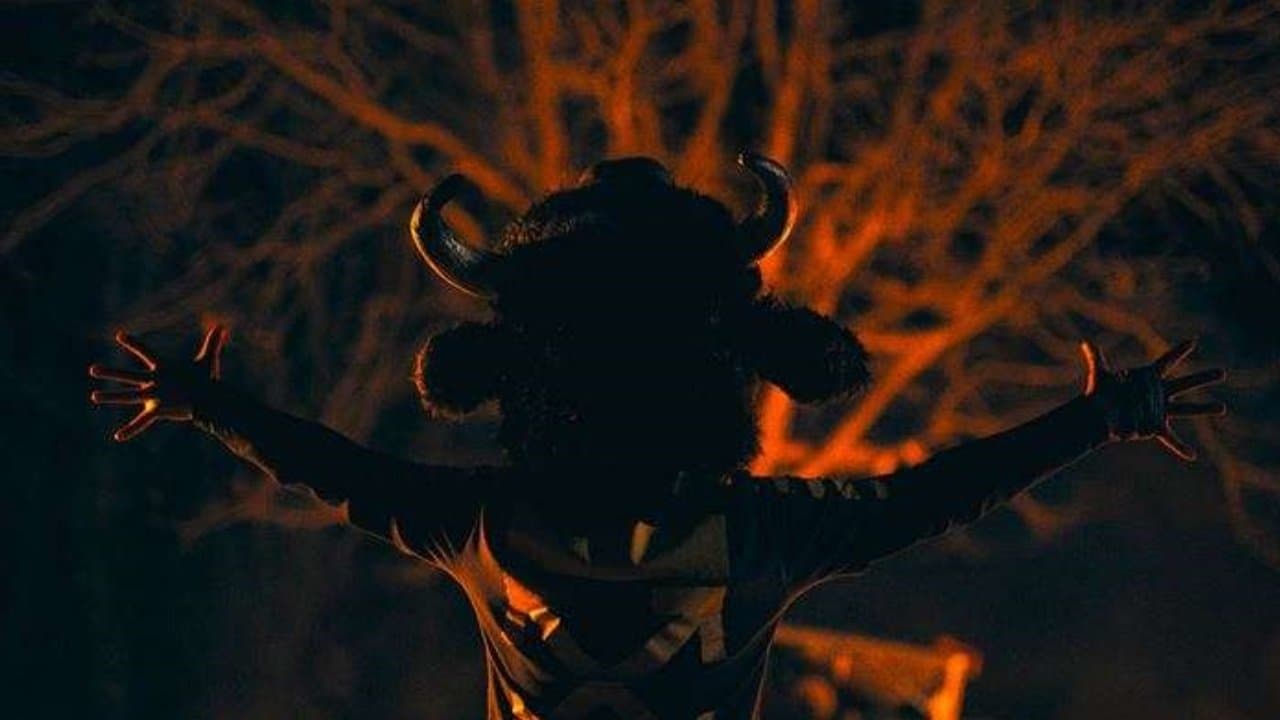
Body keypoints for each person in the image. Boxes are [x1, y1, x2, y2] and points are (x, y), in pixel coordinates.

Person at [89, 154, 1225, 720]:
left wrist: (210, 405)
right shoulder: (758, 532)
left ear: (514, 369)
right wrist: (1100, 415)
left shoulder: (482, 524)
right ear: (728, 362)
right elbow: (936, 494)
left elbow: (334, 470)